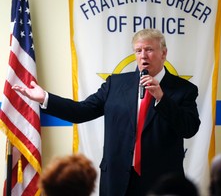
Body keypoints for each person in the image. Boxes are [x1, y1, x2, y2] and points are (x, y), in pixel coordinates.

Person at [12, 28, 201, 196]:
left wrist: (162, 98)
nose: (143, 56)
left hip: (161, 183)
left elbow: (189, 128)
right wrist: (45, 97)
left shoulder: (184, 90)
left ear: (164, 53)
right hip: (117, 180)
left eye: (149, 50)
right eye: (138, 50)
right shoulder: (115, 84)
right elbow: (81, 112)